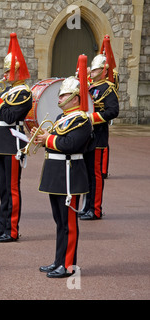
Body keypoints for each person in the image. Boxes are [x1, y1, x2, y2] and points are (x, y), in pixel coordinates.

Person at [34, 56, 92, 277]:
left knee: (69, 224)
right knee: (59, 222)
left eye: (65, 94)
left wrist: (47, 139)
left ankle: (68, 266)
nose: (60, 97)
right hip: (56, 174)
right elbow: (55, 142)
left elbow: (70, 144)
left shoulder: (81, 120)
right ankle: (58, 261)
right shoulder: (61, 118)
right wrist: (41, 139)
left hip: (69, 176)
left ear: (76, 97)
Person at [0, 33, 32, 242]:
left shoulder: (23, 93)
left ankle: (11, 230)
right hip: (1, 142)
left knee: (12, 189)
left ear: (18, 71)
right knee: (2, 188)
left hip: (13, 142)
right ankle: (1, 226)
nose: (4, 74)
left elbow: (10, 116)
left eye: (7, 70)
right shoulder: (8, 91)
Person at [78, 35, 119, 220]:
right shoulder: (89, 86)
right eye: (91, 70)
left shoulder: (108, 88)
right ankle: (87, 206)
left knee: (95, 176)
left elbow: (112, 111)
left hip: (99, 137)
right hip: (87, 136)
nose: (92, 73)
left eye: (95, 70)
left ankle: (95, 209)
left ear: (103, 71)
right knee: (86, 175)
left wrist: (92, 118)